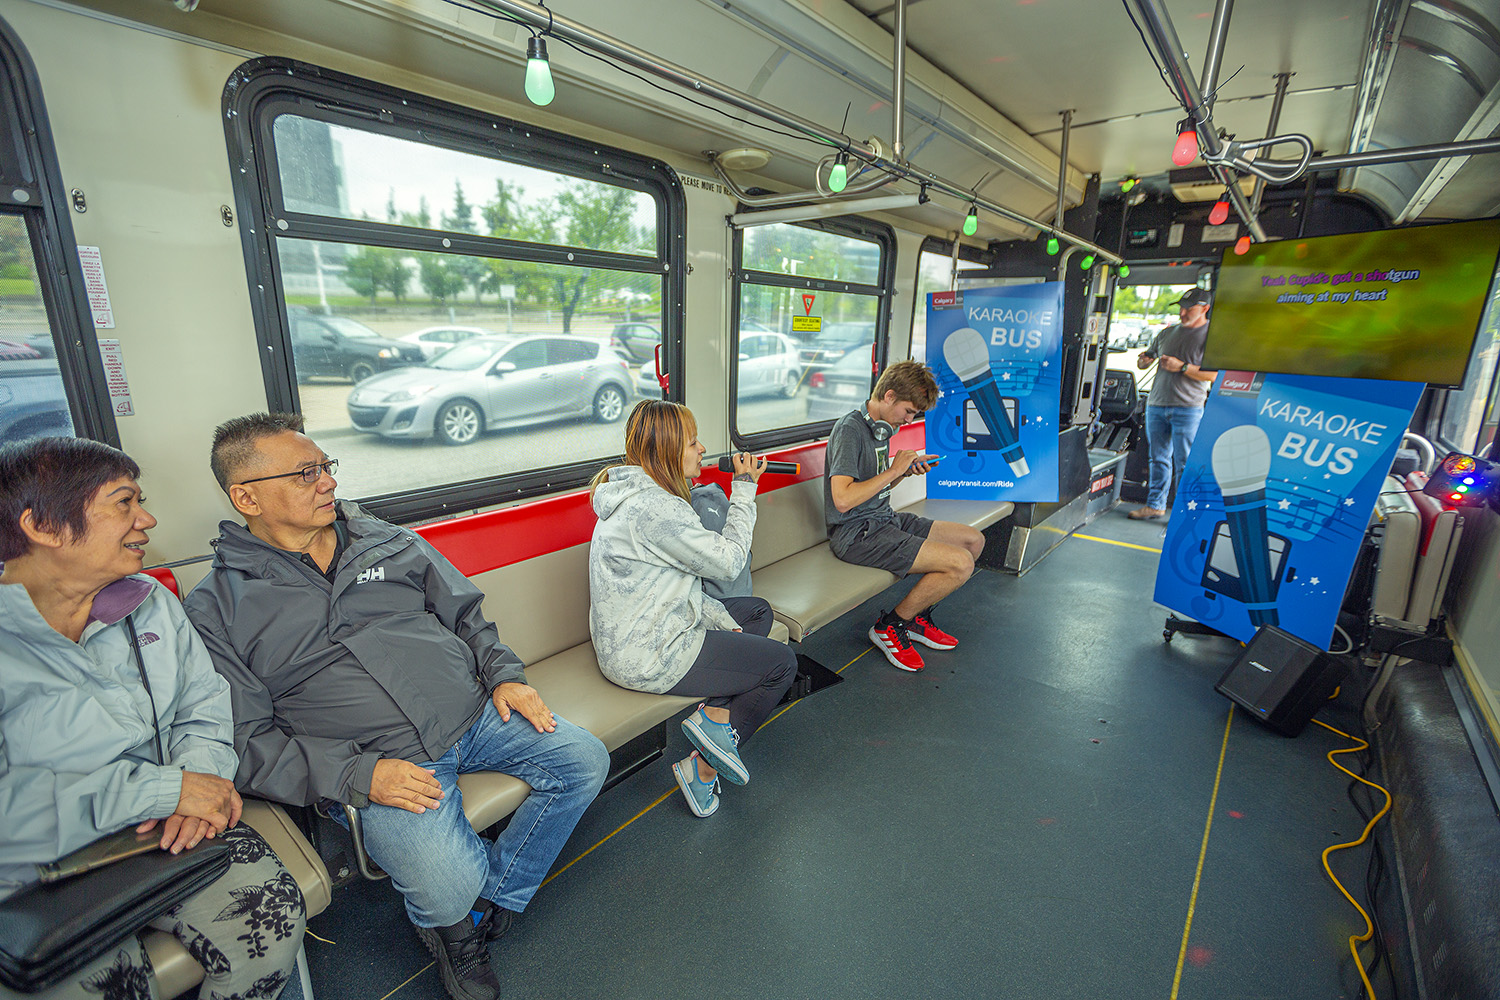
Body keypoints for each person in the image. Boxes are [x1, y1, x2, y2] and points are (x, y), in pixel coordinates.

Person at [182, 414, 609, 1000]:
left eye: (325, 466)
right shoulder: (215, 608)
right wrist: (360, 776)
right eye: (305, 474)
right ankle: (454, 915)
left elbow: (466, 616)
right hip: (375, 761)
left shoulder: (386, 540)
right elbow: (247, 741)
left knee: (583, 760)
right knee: (446, 882)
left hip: (474, 713)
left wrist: (505, 677)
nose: (328, 482)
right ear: (246, 498)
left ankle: (484, 904)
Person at [0, 437, 306, 1000]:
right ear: (42, 526)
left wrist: (201, 782)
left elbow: (203, 704)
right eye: (124, 503)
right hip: (34, 871)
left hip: (171, 824)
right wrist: (167, 790)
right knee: (107, 985)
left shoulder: (148, 603)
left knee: (273, 916)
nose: (147, 520)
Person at [588, 400, 798, 819]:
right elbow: (730, 562)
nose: (702, 449)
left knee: (756, 612)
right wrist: (744, 488)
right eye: (692, 442)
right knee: (780, 664)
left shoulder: (635, 496)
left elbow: (666, 587)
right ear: (667, 449)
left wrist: (720, 619)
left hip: (642, 629)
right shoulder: (657, 510)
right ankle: (702, 768)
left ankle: (715, 716)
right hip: (647, 653)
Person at [823, 360, 985, 672]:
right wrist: (894, 469)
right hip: (856, 534)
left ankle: (916, 616)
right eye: (908, 411)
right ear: (889, 396)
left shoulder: (882, 428)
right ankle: (891, 626)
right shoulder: (850, 430)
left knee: (972, 541)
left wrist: (904, 473)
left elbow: (876, 487)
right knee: (961, 564)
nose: (909, 420)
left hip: (885, 519)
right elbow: (842, 500)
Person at [1129, 288, 1218, 520]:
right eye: (1181, 308)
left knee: (1185, 462)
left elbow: (1214, 375)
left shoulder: (1211, 337)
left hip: (1188, 408)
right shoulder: (1166, 333)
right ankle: (1155, 505)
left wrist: (1182, 367)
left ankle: (1183, 514)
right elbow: (1144, 361)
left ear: (1205, 309)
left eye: (1189, 308)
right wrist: (1144, 360)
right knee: (1158, 459)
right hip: (1157, 404)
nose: (1183, 313)